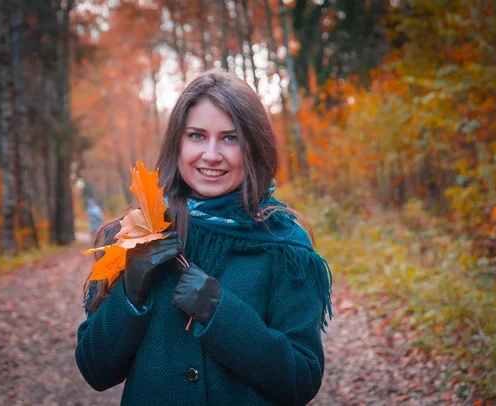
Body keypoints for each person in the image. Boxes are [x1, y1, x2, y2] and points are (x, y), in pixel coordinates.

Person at [75, 69, 332, 406]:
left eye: (230, 138)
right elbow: (96, 370)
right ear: (177, 143)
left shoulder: (284, 244)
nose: (211, 155)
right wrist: (131, 290)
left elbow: (301, 379)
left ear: (254, 146)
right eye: (197, 135)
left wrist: (221, 313)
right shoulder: (134, 234)